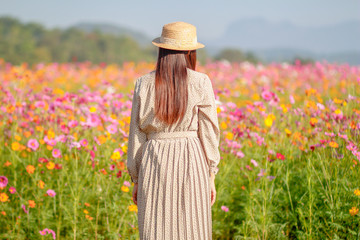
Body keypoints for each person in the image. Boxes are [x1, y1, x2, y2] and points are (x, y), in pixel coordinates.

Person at [126, 21, 221, 240]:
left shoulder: (143, 83)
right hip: (192, 159)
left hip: (154, 160)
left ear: (161, 49)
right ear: (190, 51)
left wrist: (137, 178)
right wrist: (211, 174)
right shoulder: (201, 82)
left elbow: (137, 133)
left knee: (155, 228)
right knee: (193, 228)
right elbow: (208, 132)